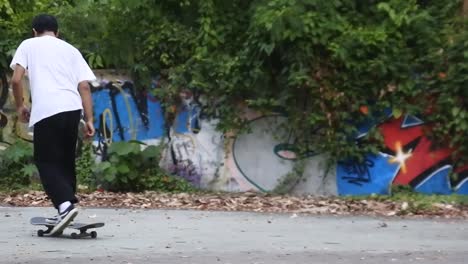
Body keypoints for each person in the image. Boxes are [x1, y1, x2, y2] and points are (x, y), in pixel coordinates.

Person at [10, 14, 96, 235]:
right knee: (65, 161)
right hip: (72, 109)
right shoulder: (70, 50)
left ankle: (65, 206)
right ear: (57, 32)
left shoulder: (28, 44)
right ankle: (66, 207)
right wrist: (89, 119)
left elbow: (17, 80)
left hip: (47, 110)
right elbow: (84, 86)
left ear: (34, 31)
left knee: (46, 160)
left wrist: (20, 107)